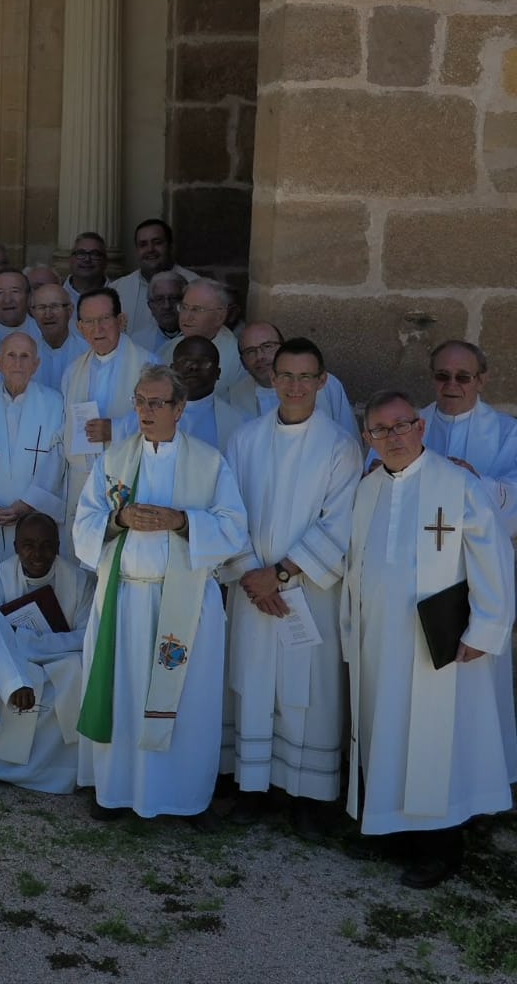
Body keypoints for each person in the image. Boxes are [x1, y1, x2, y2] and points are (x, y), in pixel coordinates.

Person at [343, 391, 515, 887]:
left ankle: (440, 846)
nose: (393, 437)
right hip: (380, 639)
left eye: (401, 426)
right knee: (388, 731)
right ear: (368, 438)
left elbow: (493, 559)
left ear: (420, 428)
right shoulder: (368, 488)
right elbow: (356, 564)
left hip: (437, 641)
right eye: (381, 430)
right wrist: (351, 628)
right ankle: (392, 829)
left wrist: (485, 627)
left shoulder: (457, 483)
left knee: (435, 741)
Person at [73, 365, 248, 821]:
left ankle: (177, 796)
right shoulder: (112, 461)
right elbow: (83, 526)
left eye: (156, 403)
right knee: (124, 695)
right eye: (139, 401)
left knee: (184, 702)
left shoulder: (210, 462)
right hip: (124, 600)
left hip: (185, 607)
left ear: (179, 408)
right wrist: (119, 520)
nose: (145, 411)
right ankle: (117, 791)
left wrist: (182, 521)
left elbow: (234, 529)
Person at [220, 338, 360, 836]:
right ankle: (253, 789)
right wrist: (251, 574)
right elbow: (228, 512)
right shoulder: (245, 439)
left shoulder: (341, 446)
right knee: (253, 684)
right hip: (252, 589)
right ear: (272, 380)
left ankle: (307, 796)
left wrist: (279, 573)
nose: (295, 386)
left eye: (306, 377)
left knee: (309, 693)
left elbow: (340, 524)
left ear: (323, 382)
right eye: (286, 376)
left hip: (307, 593)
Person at [415, 339, 517, 781]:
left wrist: (475, 483)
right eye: (442, 376)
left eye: (463, 376)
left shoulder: (508, 433)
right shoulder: (409, 424)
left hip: (479, 576)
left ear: (482, 379)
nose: (451, 385)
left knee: (476, 690)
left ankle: (479, 787)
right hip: (418, 576)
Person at [0, 514, 94, 794]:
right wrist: (15, 680)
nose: (37, 554)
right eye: (28, 545)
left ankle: (67, 772)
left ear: (58, 546)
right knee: (3, 674)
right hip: (10, 663)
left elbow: (89, 636)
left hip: (61, 661)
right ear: (15, 546)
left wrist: (27, 642)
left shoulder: (81, 582)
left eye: (46, 545)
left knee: (77, 670)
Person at [0, 332, 67, 576]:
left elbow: (59, 457)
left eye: (25, 357)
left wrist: (28, 503)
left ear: (36, 365)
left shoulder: (56, 404)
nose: (18, 363)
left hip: (38, 519)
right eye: (11, 356)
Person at [60, 288, 155, 528]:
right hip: (83, 478)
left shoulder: (149, 366)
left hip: (129, 474)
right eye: (89, 322)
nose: (97, 329)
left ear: (121, 321)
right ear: (80, 328)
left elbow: (164, 419)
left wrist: (117, 429)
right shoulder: (73, 371)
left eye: (104, 319)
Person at [110, 336, 244, 450]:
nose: (193, 367)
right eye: (185, 361)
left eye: (204, 362)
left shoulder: (236, 422)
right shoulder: (136, 420)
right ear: (172, 369)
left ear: (218, 373)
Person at [227, 322, 354, 430]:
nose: (260, 356)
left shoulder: (326, 384)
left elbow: (349, 436)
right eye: (250, 352)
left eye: (267, 346)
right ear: (243, 362)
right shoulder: (234, 397)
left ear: (282, 348)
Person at [110, 219, 198, 348]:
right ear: (137, 250)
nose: (150, 249)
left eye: (157, 243)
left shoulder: (195, 285)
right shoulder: (117, 289)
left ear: (170, 246)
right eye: (143, 244)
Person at [167, 278, 245, 387]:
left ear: (219, 317)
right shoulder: (167, 348)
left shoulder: (237, 358)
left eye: (197, 309)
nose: (187, 317)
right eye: (184, 307)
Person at [27, 282, 86, 390]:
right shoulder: (25, 357)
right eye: (41, 307)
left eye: (54, 306)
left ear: (70, 310)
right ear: (33, 313)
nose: (48, 315)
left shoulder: (88, 353)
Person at [136, 271, 185, 352]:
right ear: (150, 306)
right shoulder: (138, 341)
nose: (167, 306)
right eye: (159, 299)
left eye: (174, 298)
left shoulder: (198, 336)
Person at [65, 232, 111, 302]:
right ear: (70, 259)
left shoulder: (121, 295)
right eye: (81, 253)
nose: (87, 259)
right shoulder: (54, 295)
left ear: (105, 261)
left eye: (95, 254)